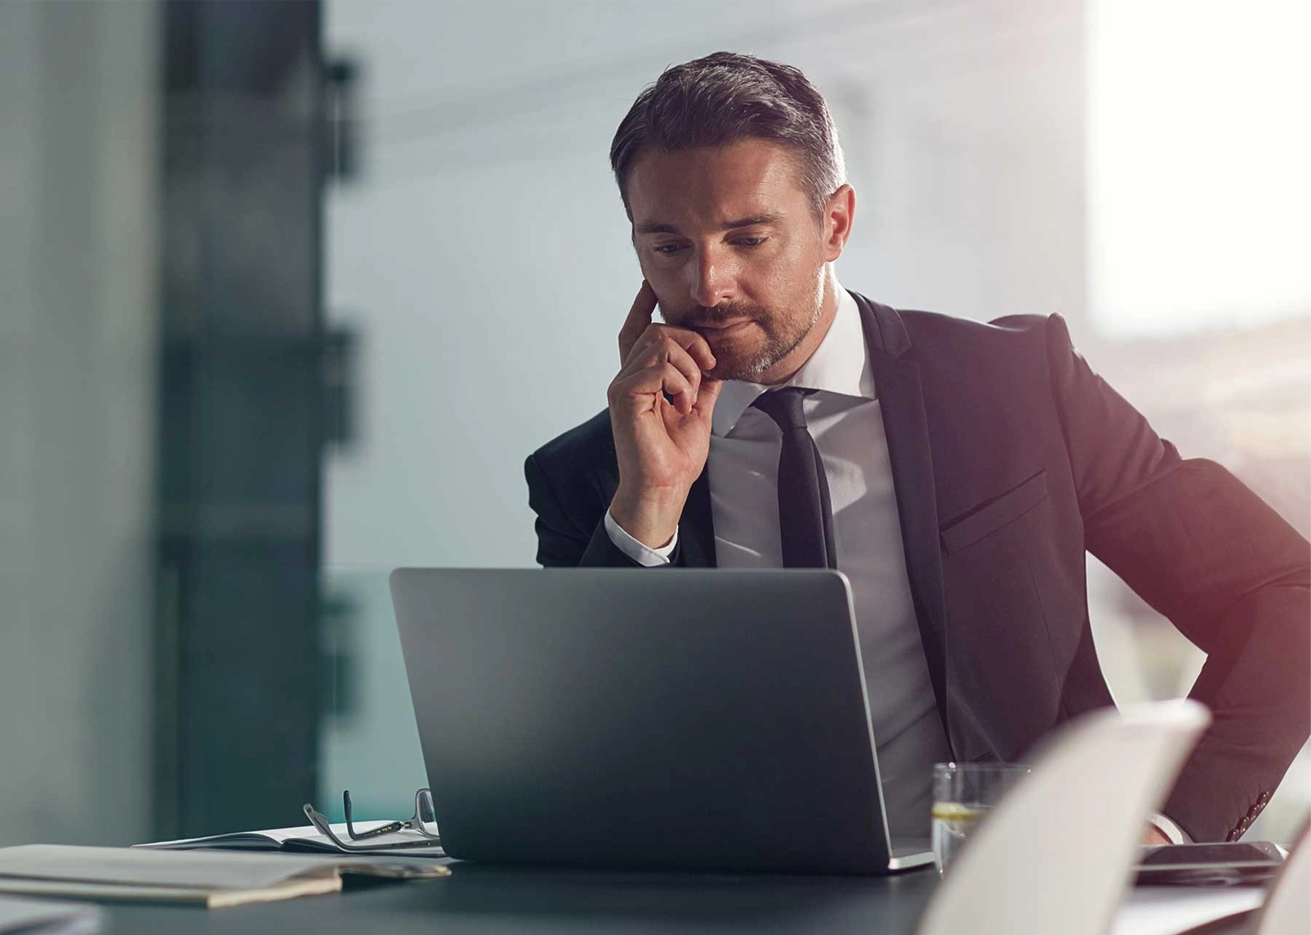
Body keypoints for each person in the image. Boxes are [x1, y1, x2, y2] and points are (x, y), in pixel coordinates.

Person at [523, 51, 1311, 845]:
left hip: (1011, 904)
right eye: (668, 248)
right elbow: (573, 766)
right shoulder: (591, 477)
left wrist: (1168, 826)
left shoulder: (1018, 387)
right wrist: (648, 506)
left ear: (834, 224)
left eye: (748, 237)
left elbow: (1288, 596)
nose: (708, 284)